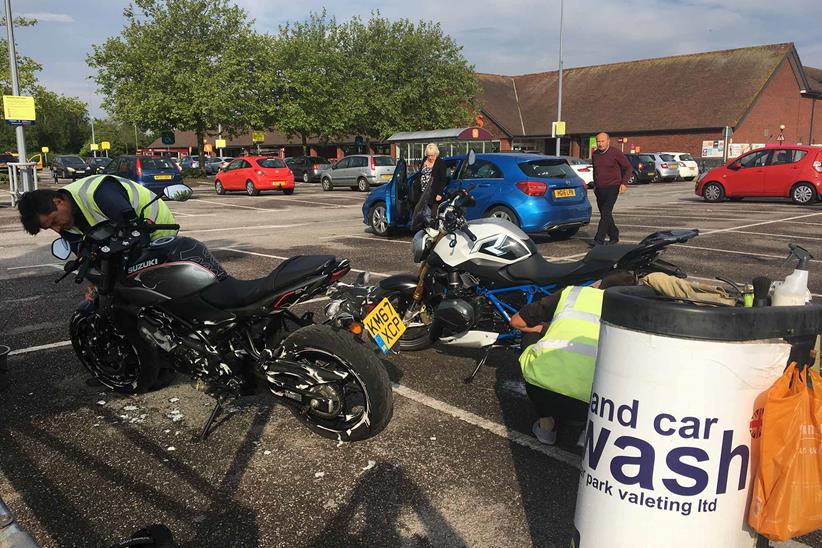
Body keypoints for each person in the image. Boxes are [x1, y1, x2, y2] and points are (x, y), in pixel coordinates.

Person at [510, 271, 636, 445]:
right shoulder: (634, 310)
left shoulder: (572, 293)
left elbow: (516, 322)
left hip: (544, 389)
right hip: (596, 400)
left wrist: (547, 330)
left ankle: (546, 425)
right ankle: (591, 431)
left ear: (599, 284)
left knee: (530, 340)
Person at [17, 174, 182, 299]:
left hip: (158, 232)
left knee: (157, 291)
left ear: (58, 201)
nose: (57, 228)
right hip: (128, 238)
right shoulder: (65, 224)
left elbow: (137, 236)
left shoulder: (99, 193)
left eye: (54, 221)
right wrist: (96, 282)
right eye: (49, 227)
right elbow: (87, 255)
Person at [590, 132, 632, 245]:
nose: (600, 144)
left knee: (606, 212)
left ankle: (599, 240)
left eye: (602, 141)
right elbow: (595, 170)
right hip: (599, 188)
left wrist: (624, 183)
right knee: (605, 214)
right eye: (598, 141)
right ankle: (614, 235)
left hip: (613, 187)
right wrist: (595, 184)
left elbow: (628, 167)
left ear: (608, 141)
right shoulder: (595, 154)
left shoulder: (615, 153)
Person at [411, 143, 448, 231]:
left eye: (432, 155)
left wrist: (439, 193)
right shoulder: (424, 160)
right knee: (421, 211)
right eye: (429, 155)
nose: (430, 157)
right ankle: (424, 228)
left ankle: (431, 229)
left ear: (436, 153)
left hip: (433, 191)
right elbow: (420, 174)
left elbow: (443, 179)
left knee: (429, 212)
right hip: (421, 191)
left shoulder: (440, 163)